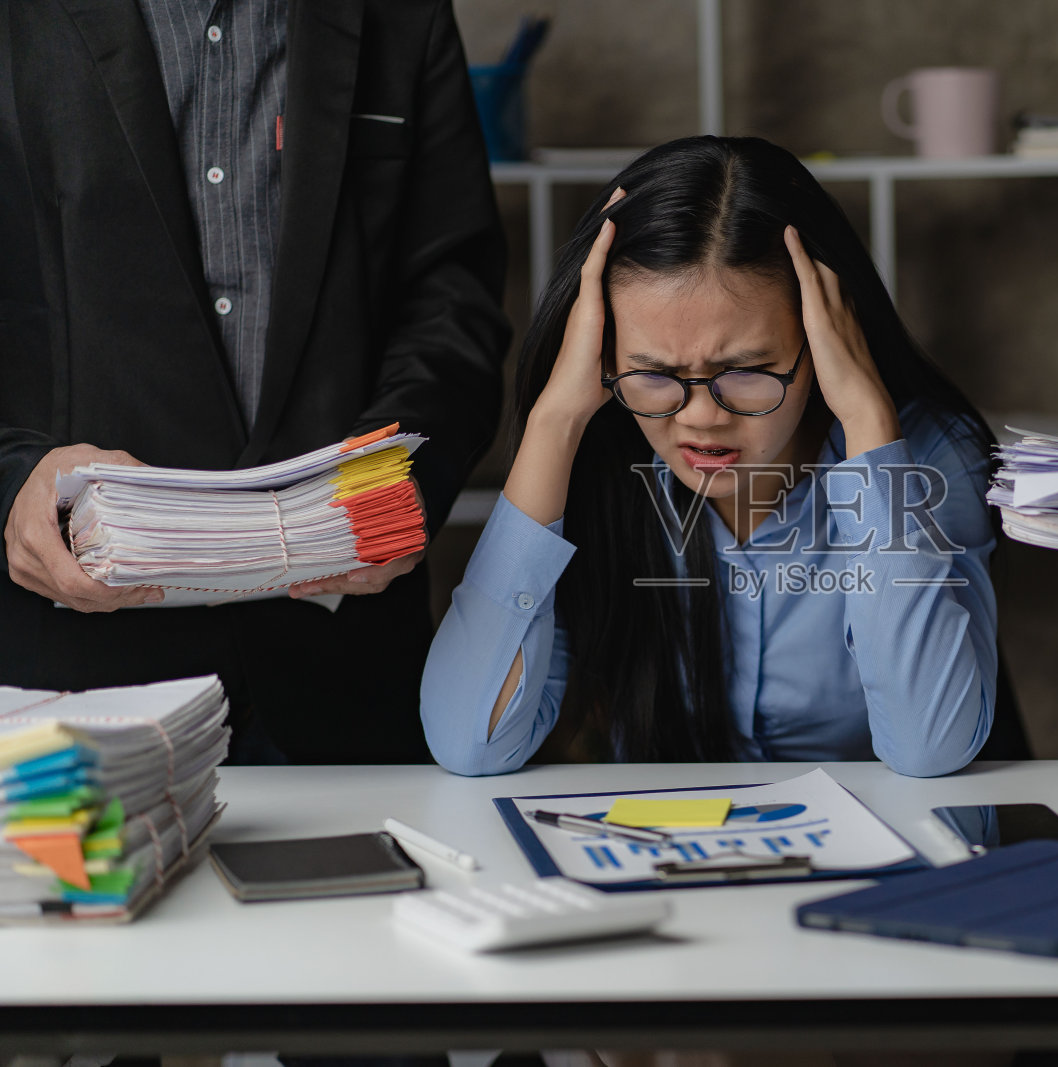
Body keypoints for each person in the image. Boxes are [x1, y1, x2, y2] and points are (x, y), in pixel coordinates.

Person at [0, 0, 509, 763]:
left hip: (345, 662)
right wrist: (10, 478)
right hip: (78, 673)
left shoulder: (402, 16)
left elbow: (453, 295)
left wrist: (408, 480)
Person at [421, 135, 998, 778]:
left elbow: (930, 746)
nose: (700, 417)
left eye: (747, 370)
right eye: (654, 373)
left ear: (826, 335)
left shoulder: (930, 457)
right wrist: (555, 420)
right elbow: (469, 743)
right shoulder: (589, 460)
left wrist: (866, 419)